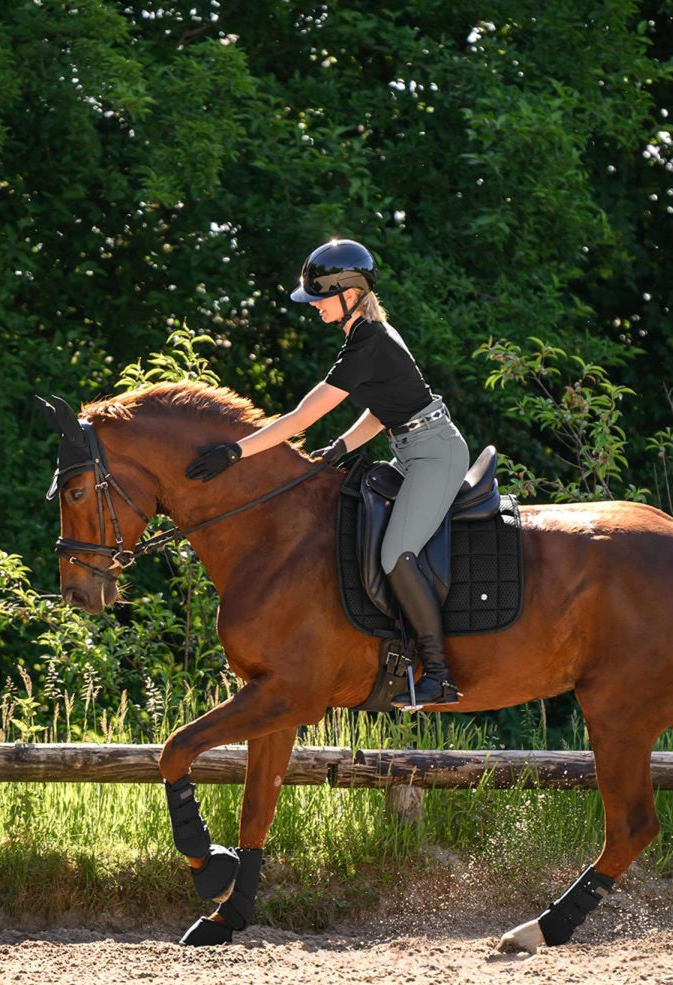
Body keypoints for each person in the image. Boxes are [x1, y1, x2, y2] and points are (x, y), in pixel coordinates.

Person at [185, 238, 471, 707]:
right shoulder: (366, 335)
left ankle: (438, 672)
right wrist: (342, 445)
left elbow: (299, 418)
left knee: (396, 552)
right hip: (411, 447)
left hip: (435, 454)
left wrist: (236, 452)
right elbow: (384, 410)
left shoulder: (370, 342)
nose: (314, 308)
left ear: (350, 292)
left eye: (320, 299)